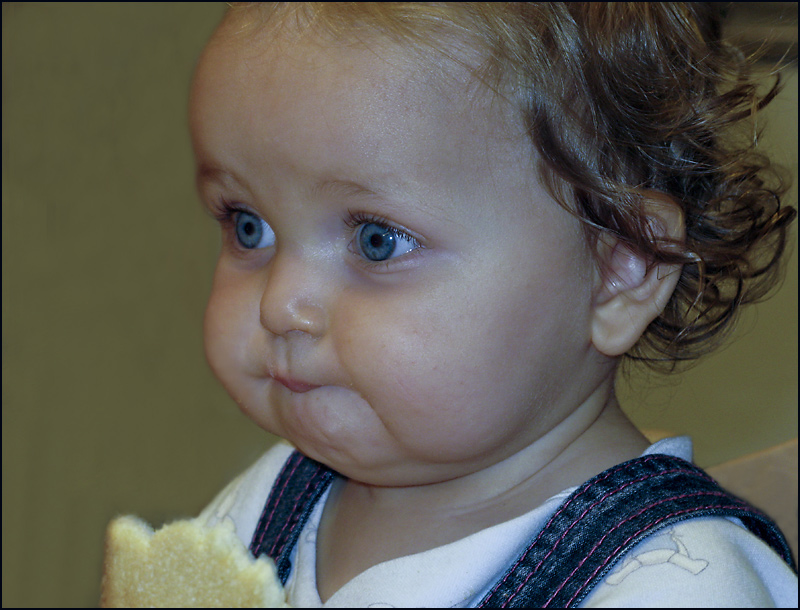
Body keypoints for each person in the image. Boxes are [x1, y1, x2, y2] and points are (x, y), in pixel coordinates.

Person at [189, 3, 797, 606]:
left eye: (378, 241)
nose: (280, 304)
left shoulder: (674, 586)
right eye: (248, 227)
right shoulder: (262, 509)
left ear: (618, 270)